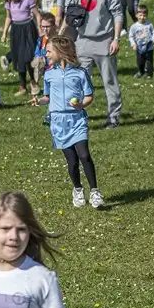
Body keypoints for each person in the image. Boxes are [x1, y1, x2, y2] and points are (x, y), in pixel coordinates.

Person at [32, 36, 103, 208]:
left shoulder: (80, 73)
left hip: (76, 119)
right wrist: (39, 101)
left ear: (60, 52)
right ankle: (77, 189)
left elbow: (89, 96)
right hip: (58, 122)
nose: (46, 54)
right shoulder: (49, 74)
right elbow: (47, 97)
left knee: (84, 155)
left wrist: (80, 105)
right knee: (72, 161)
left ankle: (94, 192)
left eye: (49, 51)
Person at [56, 0, 124, 129]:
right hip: (83, 41)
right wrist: (60, 33)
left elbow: (117, 13)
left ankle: (113, 117)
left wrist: (116, 39)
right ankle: (77, 116)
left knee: (109, 81)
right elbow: (71, 13)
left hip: (104, 41)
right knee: (78, 81)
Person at [129, 4, 154, 78]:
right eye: (140, 15)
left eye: (144, 15)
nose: (142, 17)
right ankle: (141, 72)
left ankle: (149, 74)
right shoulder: (134, 26)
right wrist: (133, 44)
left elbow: (153, 32)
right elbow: (131, 36)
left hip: (149, 47)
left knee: (149, 61)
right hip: (139, 47)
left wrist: (153, 40)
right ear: (136, 15)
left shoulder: (149, 25)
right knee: (140, 62)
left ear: (146, 15)